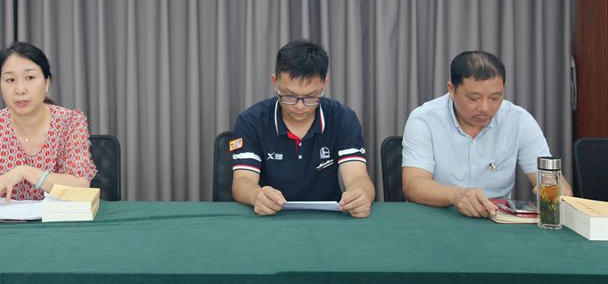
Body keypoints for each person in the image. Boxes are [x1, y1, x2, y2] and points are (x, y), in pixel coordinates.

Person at [402, 50, 572, 218]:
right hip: (438, 217)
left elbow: (549, 179)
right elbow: (413, 185)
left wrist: (558, 189)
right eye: (474, 98)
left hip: (497, 220)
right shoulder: (424, 119)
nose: (485, 108)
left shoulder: (519, 120)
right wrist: (456, 195)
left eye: (494, 98)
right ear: (452, 90)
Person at [0, 41, 97, 212]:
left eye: (30, 78)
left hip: (56, 223)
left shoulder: (70, 122)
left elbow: (81, 185)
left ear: (46, 83)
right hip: (4, 225)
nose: (20, 89)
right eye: (10, 80)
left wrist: (24, 172)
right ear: (0, 85)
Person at [230, 40, 375, 217]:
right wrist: (255, 195)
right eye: (290, 96)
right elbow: (242, 181)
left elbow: (358, 177)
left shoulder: (342, 119)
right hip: (270, 217)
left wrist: (362, 195)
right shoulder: (251, 121)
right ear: (275, 83)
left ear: (324, 84)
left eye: (310, 97)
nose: (300, 106)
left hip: (328, 219)